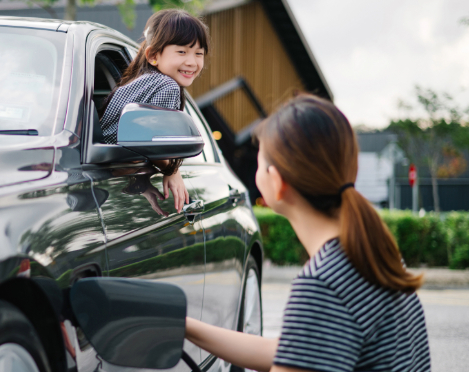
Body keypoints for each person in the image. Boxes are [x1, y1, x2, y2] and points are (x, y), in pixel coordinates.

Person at [185, 95, 431, 372]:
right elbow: (292, 351)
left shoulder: (323, 284)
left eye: (260, 160)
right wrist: (182, 324)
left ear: (276, 182)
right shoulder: (372, 254)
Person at [100, 9, 210, 213]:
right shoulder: (167, 86)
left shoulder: (143, 82)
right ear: (152, 56)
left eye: (199, 53)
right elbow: (154, 143)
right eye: (182, 52)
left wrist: (141, 182)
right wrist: (171, 169)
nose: (192, 62)